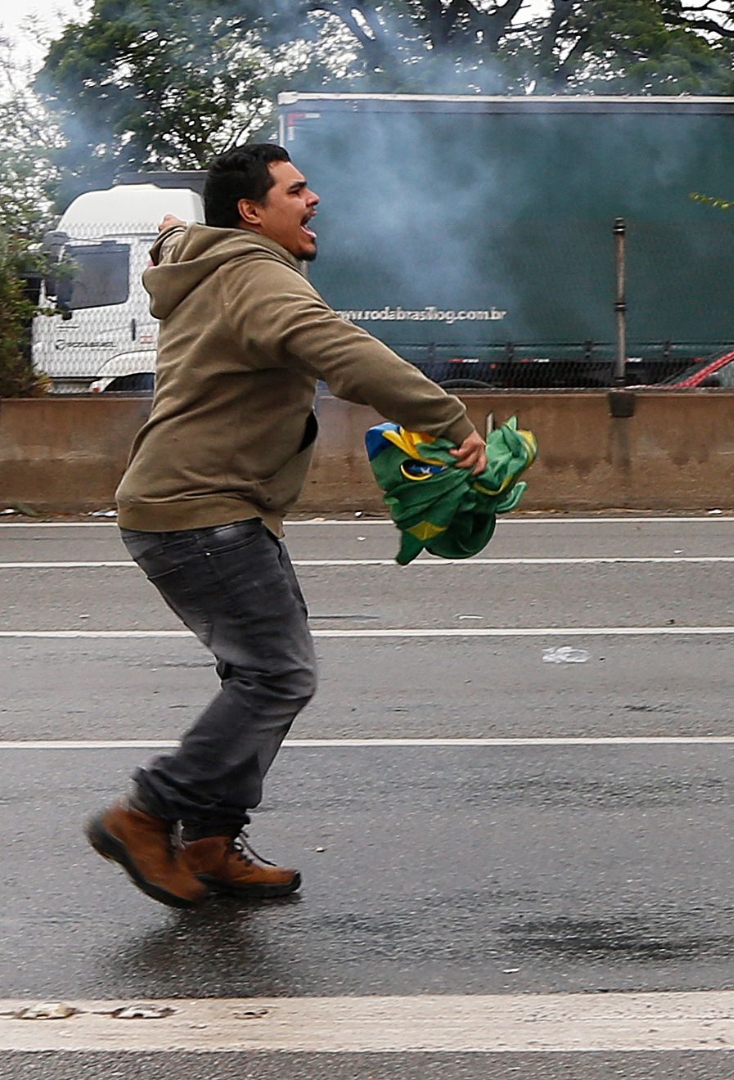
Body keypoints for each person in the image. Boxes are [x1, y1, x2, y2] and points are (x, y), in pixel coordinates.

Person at [85, 143, 486, 908]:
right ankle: (146, 815)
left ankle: (208, 840)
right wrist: (446, 416)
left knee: (259, 672)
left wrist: (176, 228)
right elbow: (346, 353)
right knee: (278, 674)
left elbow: (175, 232)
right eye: (297, 190)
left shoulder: (208, 257)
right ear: (251, 211)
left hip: (198, 505)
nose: (315, 200)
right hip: (203, 511)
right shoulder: (258, 278)